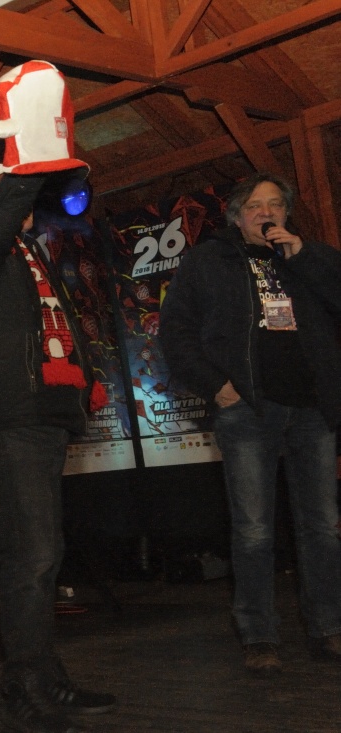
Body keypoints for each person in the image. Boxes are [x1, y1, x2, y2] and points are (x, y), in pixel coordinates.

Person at [0, 167, 116, 733]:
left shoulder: (29, 252)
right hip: (13, 414)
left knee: (43, 554)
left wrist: (83, 385)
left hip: (45, 413)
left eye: (18, 199)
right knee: (31, 556)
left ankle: (46, 675)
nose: (13, 208)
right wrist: (18, 175)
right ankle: (24, 684)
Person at [160, 172, 341, 677]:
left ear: (286, 213)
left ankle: (329, 627)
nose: (267, 212)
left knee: (323, 526)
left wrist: (304, 256)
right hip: (247, 408)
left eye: (276, 204)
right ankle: (259, 635)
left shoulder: (307, 256)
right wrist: (216, 386)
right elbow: (175, 331)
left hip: (312, 409)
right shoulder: (208, 261)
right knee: (255, 530)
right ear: (237, 216)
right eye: (256, 205)